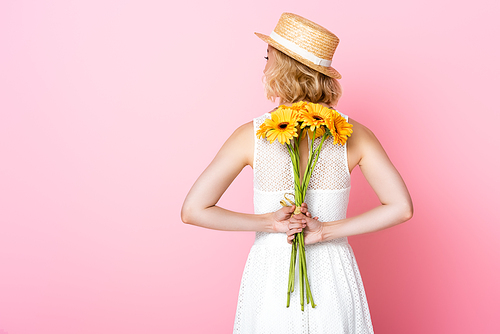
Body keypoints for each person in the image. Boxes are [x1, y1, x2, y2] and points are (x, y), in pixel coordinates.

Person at [181, 12, 413, 334]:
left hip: (271, 275)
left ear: (281, 68)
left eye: (268, 58)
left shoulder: (251, 135)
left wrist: (270, 223)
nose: (263, 67)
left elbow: (193, 210)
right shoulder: (355, 134)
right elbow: (401, 208)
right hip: (333, 270)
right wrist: (325, 231)